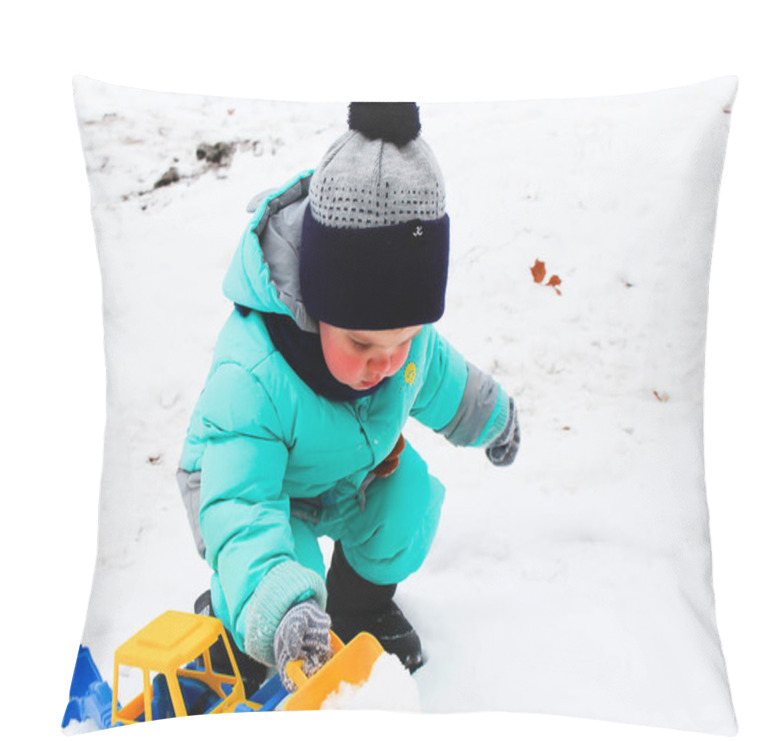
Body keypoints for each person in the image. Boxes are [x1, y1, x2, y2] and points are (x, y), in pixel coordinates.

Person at [177, 102, 521, 693]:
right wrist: (285, 606)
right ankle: (247, 613)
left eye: (403, 341)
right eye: (361, 343)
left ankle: (358, 609)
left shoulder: (401, 347)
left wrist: (493, 418)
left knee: (405, 500)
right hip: (252, 493)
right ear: (317, 305)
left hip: (340, 478)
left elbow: (441, 377)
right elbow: (238, 506)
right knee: (292, 572)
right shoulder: (254, 375)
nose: (385, 364)